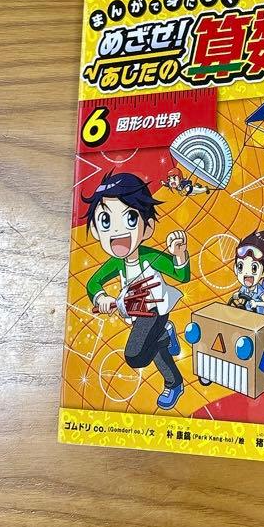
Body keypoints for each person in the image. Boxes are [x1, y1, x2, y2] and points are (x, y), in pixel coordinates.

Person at [82, 172, 189, 410]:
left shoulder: (150, 257)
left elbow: (181, 276)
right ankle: (170, 365)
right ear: (97, 231)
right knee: (154, 346)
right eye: (106, 221)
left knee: (136, 355)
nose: (118, 232)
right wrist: (102, 298)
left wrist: (180, 255)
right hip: (135, 313)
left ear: (148, 227)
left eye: (130, 219)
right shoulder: (116, 263)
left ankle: (172, 371)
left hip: (156, 309)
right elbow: (93, 283)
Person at [228, 227, 264, 314]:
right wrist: (237, 295)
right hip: (246, 314)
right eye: (240, 267)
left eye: (254, 268)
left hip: (259, 316)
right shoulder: (244, 288)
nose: (246, 272)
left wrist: (256, 303)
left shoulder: (259, 290)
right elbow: (241, 297)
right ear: (235, 268)